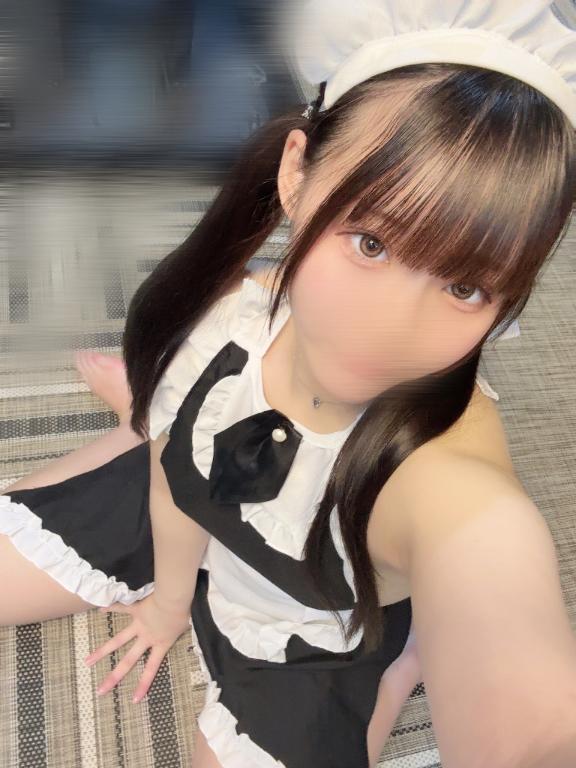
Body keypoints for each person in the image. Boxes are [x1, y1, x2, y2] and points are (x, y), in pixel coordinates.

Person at [2, 1, 576, 766]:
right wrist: (169, 600)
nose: (388, 327)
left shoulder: (448, 479)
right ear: (297, 171)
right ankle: (142, 419)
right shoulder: (235, 312)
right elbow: (176, 481)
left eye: (465, 286)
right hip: (204, 489)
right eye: (371, 243)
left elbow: (494, 578)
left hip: (322, 627)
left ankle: (399, 661)